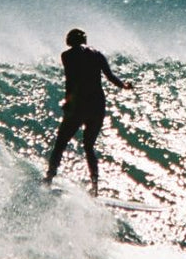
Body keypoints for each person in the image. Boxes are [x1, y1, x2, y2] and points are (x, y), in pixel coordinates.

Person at [44, 28, 130, 194]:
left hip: (79, 105)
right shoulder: (97, 54)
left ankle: (49, 177)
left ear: (69, 40)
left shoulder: (67, 56)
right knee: (89, 146)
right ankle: (95, 187)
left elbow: (71, 81)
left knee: (61, 143)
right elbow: (110, 77)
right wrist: (124, 86)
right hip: (97, 105)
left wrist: (68, 102)